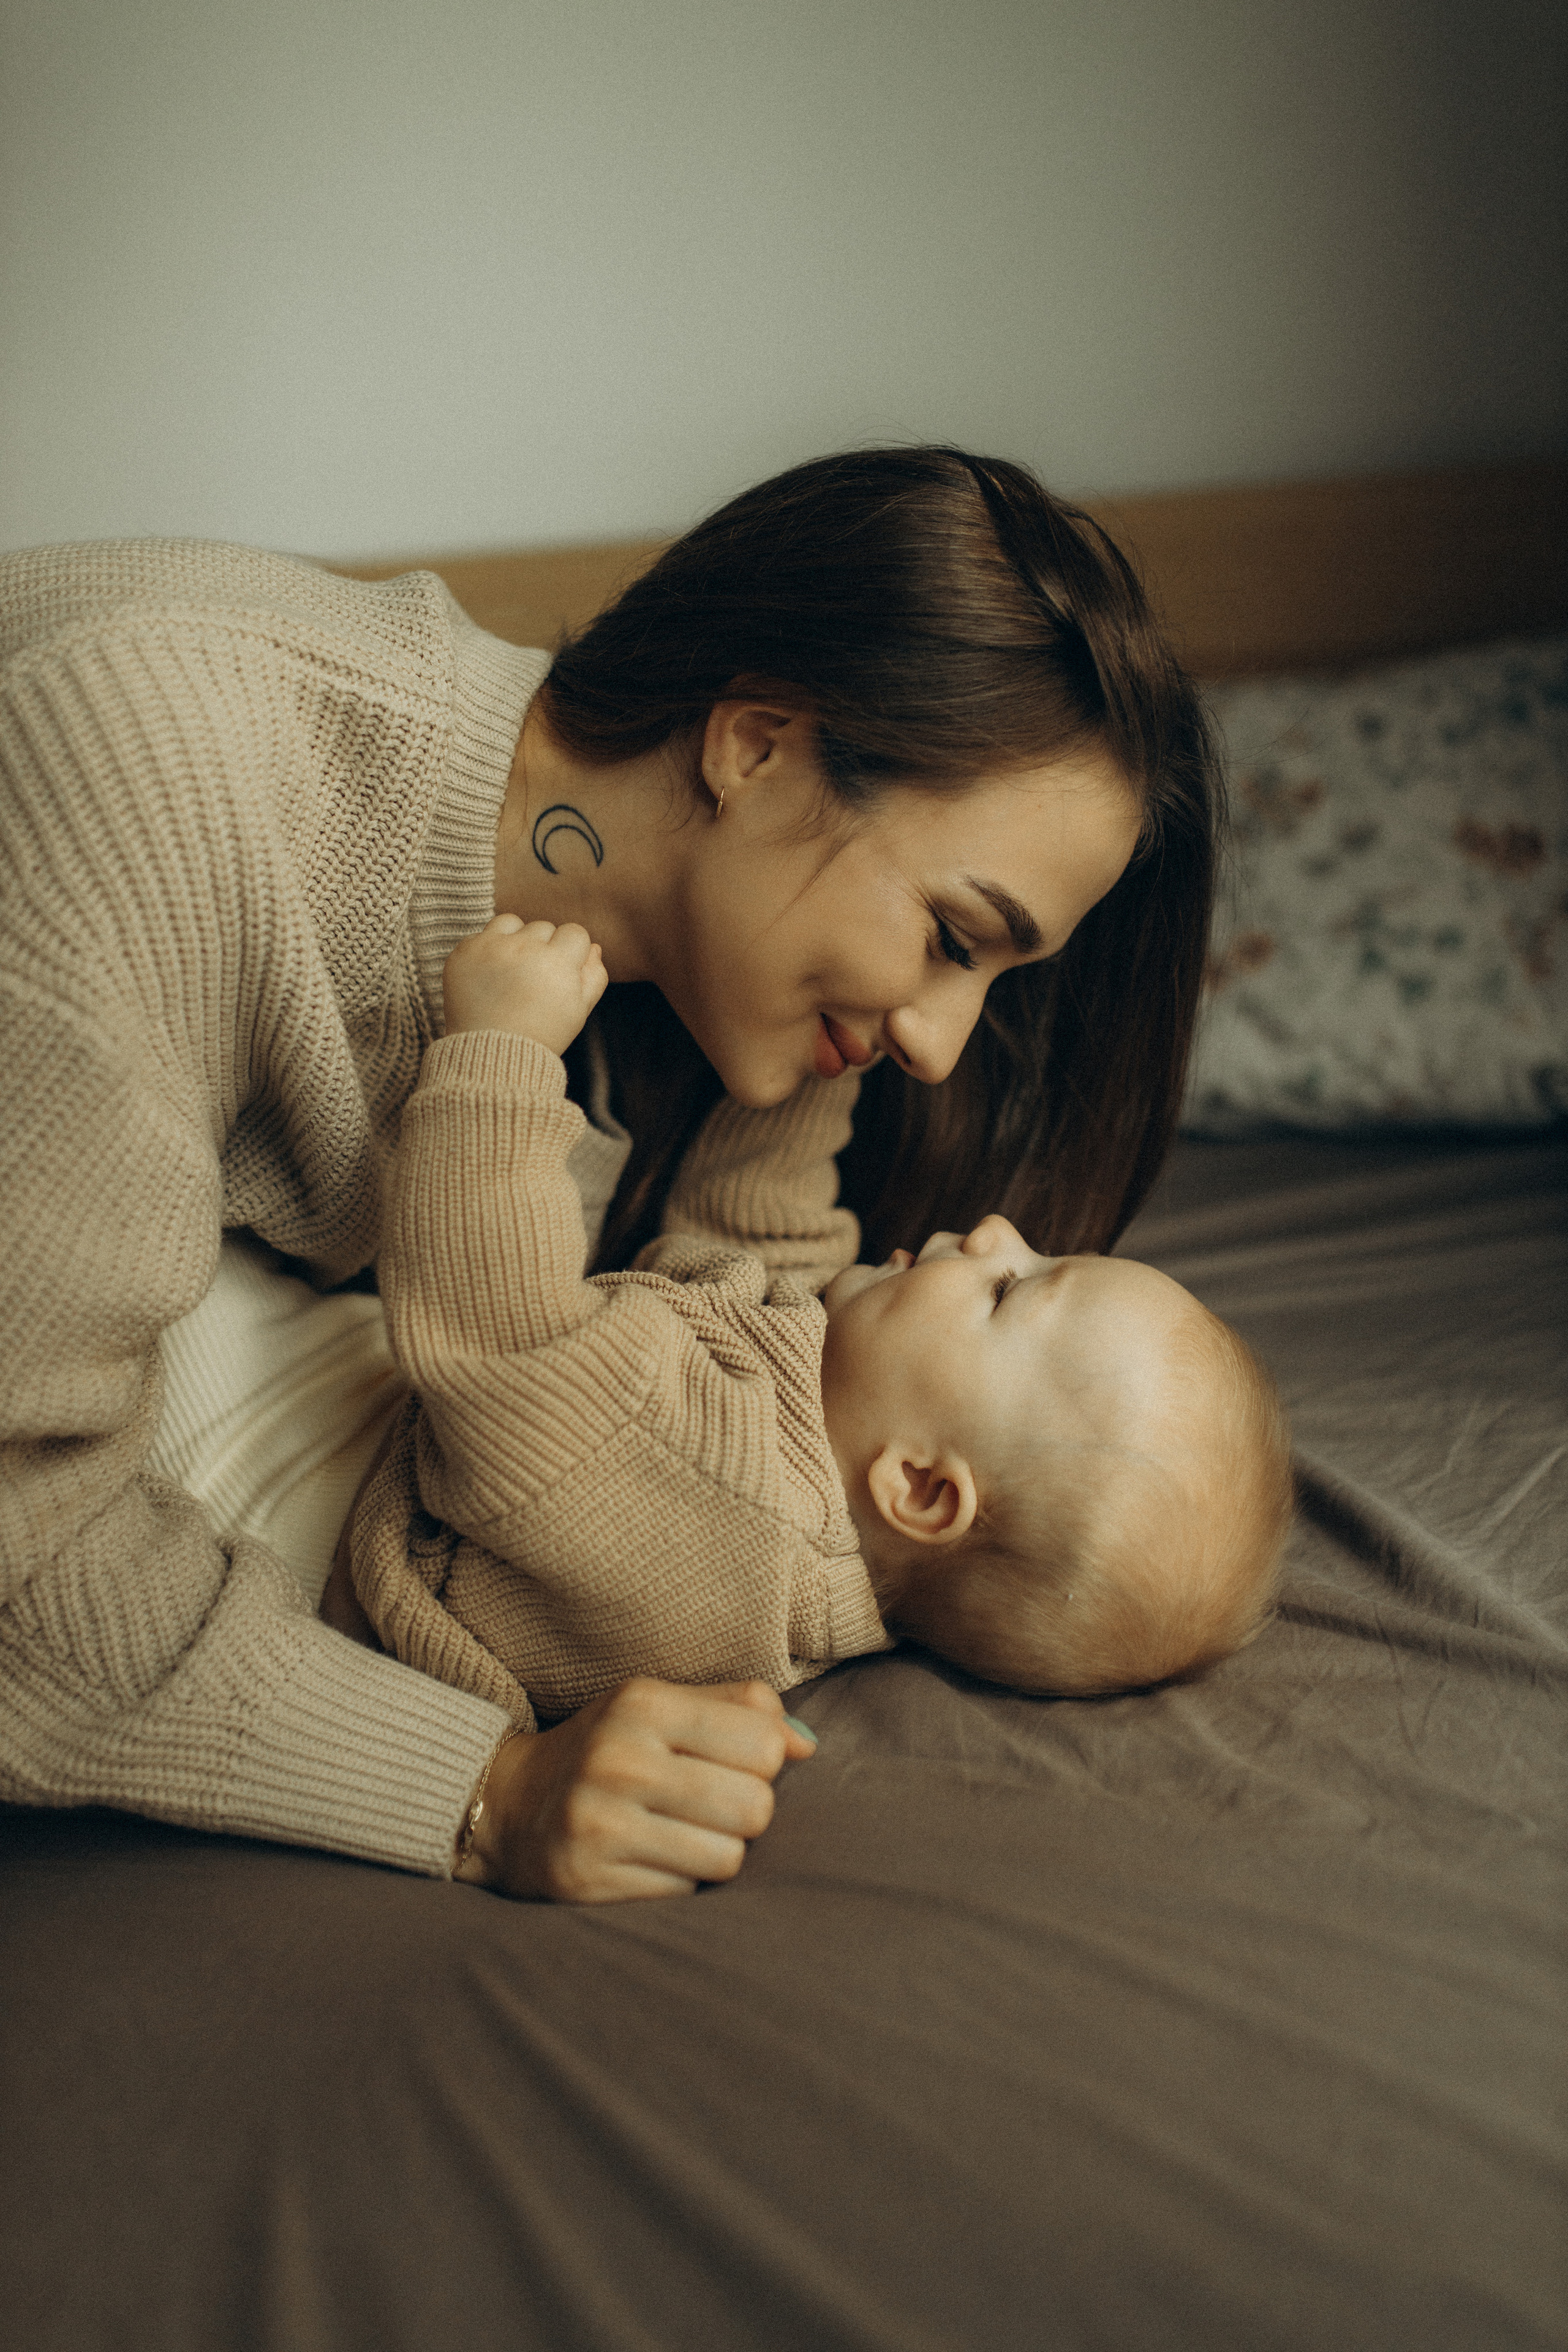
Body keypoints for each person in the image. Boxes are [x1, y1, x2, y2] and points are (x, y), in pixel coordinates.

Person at [0, 447, 1218, 1903]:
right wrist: (480, 1786)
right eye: (954, 939)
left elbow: (755, 1298)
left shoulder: (699, 994)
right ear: (755, 744)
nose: (945, 1048)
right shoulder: (138, 774)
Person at [336, 914, 1289, 1768]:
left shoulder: (714, 1500)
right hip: (445, 1422)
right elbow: (753, 1236)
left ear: (918, 1488)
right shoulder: (827, 1436)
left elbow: (500, 1330)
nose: (997, 1230)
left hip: (345, 1534)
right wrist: (833, 1045)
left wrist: (503, 1051)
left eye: (1008, 1289)